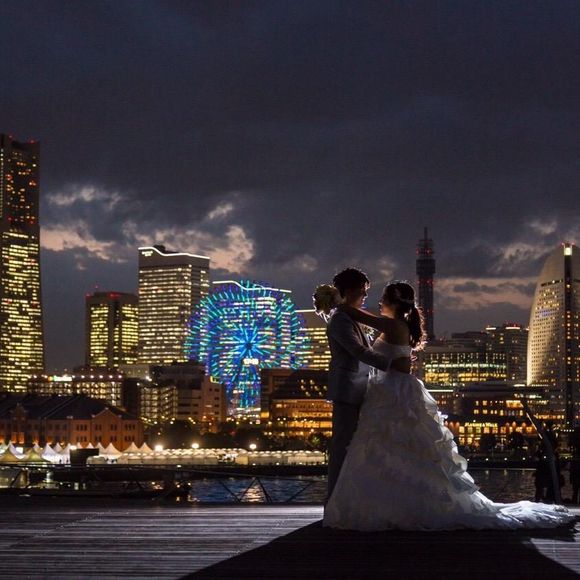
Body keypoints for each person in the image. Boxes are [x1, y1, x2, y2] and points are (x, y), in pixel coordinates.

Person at [323, 280, 574, 530]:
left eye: (384, 298)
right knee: (400, 445)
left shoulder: (391, 324)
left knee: (390, 443)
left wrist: (335, 301)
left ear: (394, 303)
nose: (379, 302)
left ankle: (388, 502)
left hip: (393, 390)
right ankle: (403, 500)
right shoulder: (396, 325)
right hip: (392, 388)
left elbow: (354, 314)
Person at [325, 268, 411, 501]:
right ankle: (334, 502)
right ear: (349, 290)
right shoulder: (341, 319)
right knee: (342, 446)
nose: (365, 295)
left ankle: (349, 500)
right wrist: (392, 363)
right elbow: (357, 350)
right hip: (347, 389)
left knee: (353, 447)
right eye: (362, 291)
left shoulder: (350, 316)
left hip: (360, 388)